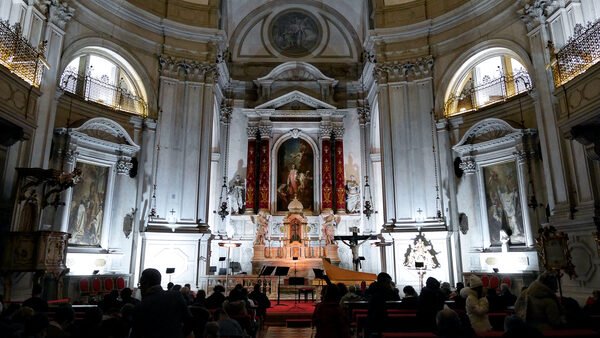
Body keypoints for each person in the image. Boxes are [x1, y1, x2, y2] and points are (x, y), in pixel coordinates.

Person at [131, 268, 193, 338]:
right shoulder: (176, 296)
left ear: (145, 283)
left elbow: (136, 334)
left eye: (140, 285)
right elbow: (190, 322)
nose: (140, 288)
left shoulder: (140, 307)